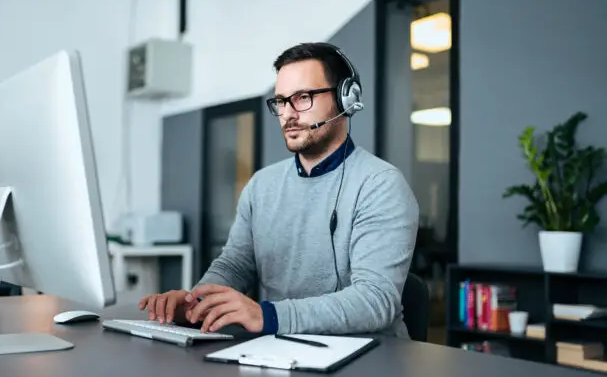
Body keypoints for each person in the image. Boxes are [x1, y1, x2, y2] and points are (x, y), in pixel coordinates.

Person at [139, 42, 419, 338]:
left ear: (345, 98)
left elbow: (375, 300)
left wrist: (268, 316)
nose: (288, 113)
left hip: (370, 362)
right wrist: (195, 305)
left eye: (302, 98)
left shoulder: (381, 184)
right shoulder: (261, 185)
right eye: (281, 101)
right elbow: (235, 266)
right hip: (281, 351)